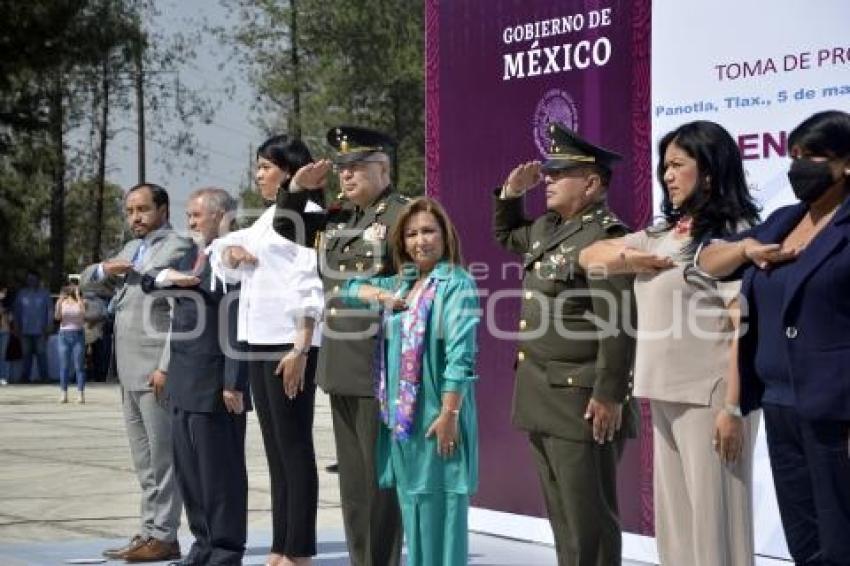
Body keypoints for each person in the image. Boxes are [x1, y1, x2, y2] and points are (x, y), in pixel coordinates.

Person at [579, 120, 761, 566]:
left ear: (711, 172)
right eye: (664, 166)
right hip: (664, 390)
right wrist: (630, 258)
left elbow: (743, 327)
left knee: (716, 525)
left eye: (678, 165)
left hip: (713, 398)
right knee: (677, 527)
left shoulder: (734, 236)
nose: (667, 175)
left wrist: (734, 409)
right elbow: (589, 256)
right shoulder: (664, 234)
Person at [697, 110, 850, 566]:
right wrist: (746, 248)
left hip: (837, 409)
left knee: (842, 540)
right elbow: (707, 262)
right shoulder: (784, 219)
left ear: (845, 164)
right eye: (794, 155)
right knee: (805, 541)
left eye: (813, 156)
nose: (799, 166)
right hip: (781, 403)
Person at [492, 123, 636, 566]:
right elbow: (506, 235)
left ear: (591, 183)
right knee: (562, 517)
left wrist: (609, 394)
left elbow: (619, 323)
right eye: (549, 172)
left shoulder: (606, 237)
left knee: (588, 517)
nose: (548, 179)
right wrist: (511, 195)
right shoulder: (547, 229)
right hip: (541, 392)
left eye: (560, 173)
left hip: (581, 399)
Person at [279, 125, 408, 566]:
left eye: (356, 167)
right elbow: (286, 224)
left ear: (384, 168)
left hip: (382, 366)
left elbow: (418, 289)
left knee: (380, 484)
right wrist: (297, 187)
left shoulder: (403, 217)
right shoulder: (337, 219)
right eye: (341, 169)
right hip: (341, 368)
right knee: (355, 488)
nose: (346, 176)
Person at [341, 197, 479, 565]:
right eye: (412, 234)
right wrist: (377, 293)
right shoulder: (402, 285)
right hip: (403, 424)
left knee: (443, 515)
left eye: (429, 231)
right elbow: (348, 289)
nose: (421, 240)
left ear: (445, 236)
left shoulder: (456, 284)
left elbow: (460, 357)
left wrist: (450, 414)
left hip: (438, 417)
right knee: (415, 513)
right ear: (401, 242)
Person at [208, 136, 324, 566]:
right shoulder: (266, 220)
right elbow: (219, 250)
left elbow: (310, 281)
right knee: (276, 450)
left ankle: (300, 550)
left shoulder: (307, 215)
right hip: (258, 340)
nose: (258, 175)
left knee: (295, 447)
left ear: (291, 171)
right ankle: (281, 544)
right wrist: (232, 253)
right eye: (257, 167)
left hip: (288, 342)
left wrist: (300, 348)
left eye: (265, 167)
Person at [81, 183, 191, 562]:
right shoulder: (131, 249)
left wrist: (165, 366)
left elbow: (178, 315)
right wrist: (102, 268)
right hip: (128, 371)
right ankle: (148, 531)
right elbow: (86, 278)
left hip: (155, 371)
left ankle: (165, 534)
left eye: (142, 210)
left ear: (163, 209)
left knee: (164, 460)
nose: (135, 218)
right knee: (144, 461)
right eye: (129, 212)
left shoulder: (176, 246)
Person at [142, 187, 250, 566]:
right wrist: (165, 277)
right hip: (184, 381)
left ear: (220, 216)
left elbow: (237, 321)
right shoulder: (191, 253)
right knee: (191, 475)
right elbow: (146, 278)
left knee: (220, 476)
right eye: (188, 215)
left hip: (217, 382)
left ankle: (225, 551)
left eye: (196, 216)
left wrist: (234, 381)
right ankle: (202, 546)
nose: (190, 222)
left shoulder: (236, 254)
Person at [12, 271, 51, 383]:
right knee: (26, 356)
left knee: (42, 355)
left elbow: (50, 311)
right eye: (29, 279)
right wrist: (16, 326)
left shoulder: (45, 293)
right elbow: (17, 312)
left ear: (38, 280)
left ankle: (44, 378)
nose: (31, 281)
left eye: (34, 279)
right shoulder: (21, 294)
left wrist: (49, 326)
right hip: (25, 330)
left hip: (41, 330)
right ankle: (25, 378)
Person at [55, 284, 87, 404]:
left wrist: (79, 297)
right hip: (63, 335)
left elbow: (84, 314)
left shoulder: (82, 302)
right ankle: (64, 393)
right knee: (64, 366)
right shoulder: (62, 302)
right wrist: (59, 302)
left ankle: (80, 394)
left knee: (79, 366)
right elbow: (57, 317)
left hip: (78, 334)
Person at [0, 284, 11, 386]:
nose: (3, 294)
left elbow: (9, 317)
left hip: (4, 330)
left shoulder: (7, 303)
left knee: (3, 355)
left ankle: (3, 377)